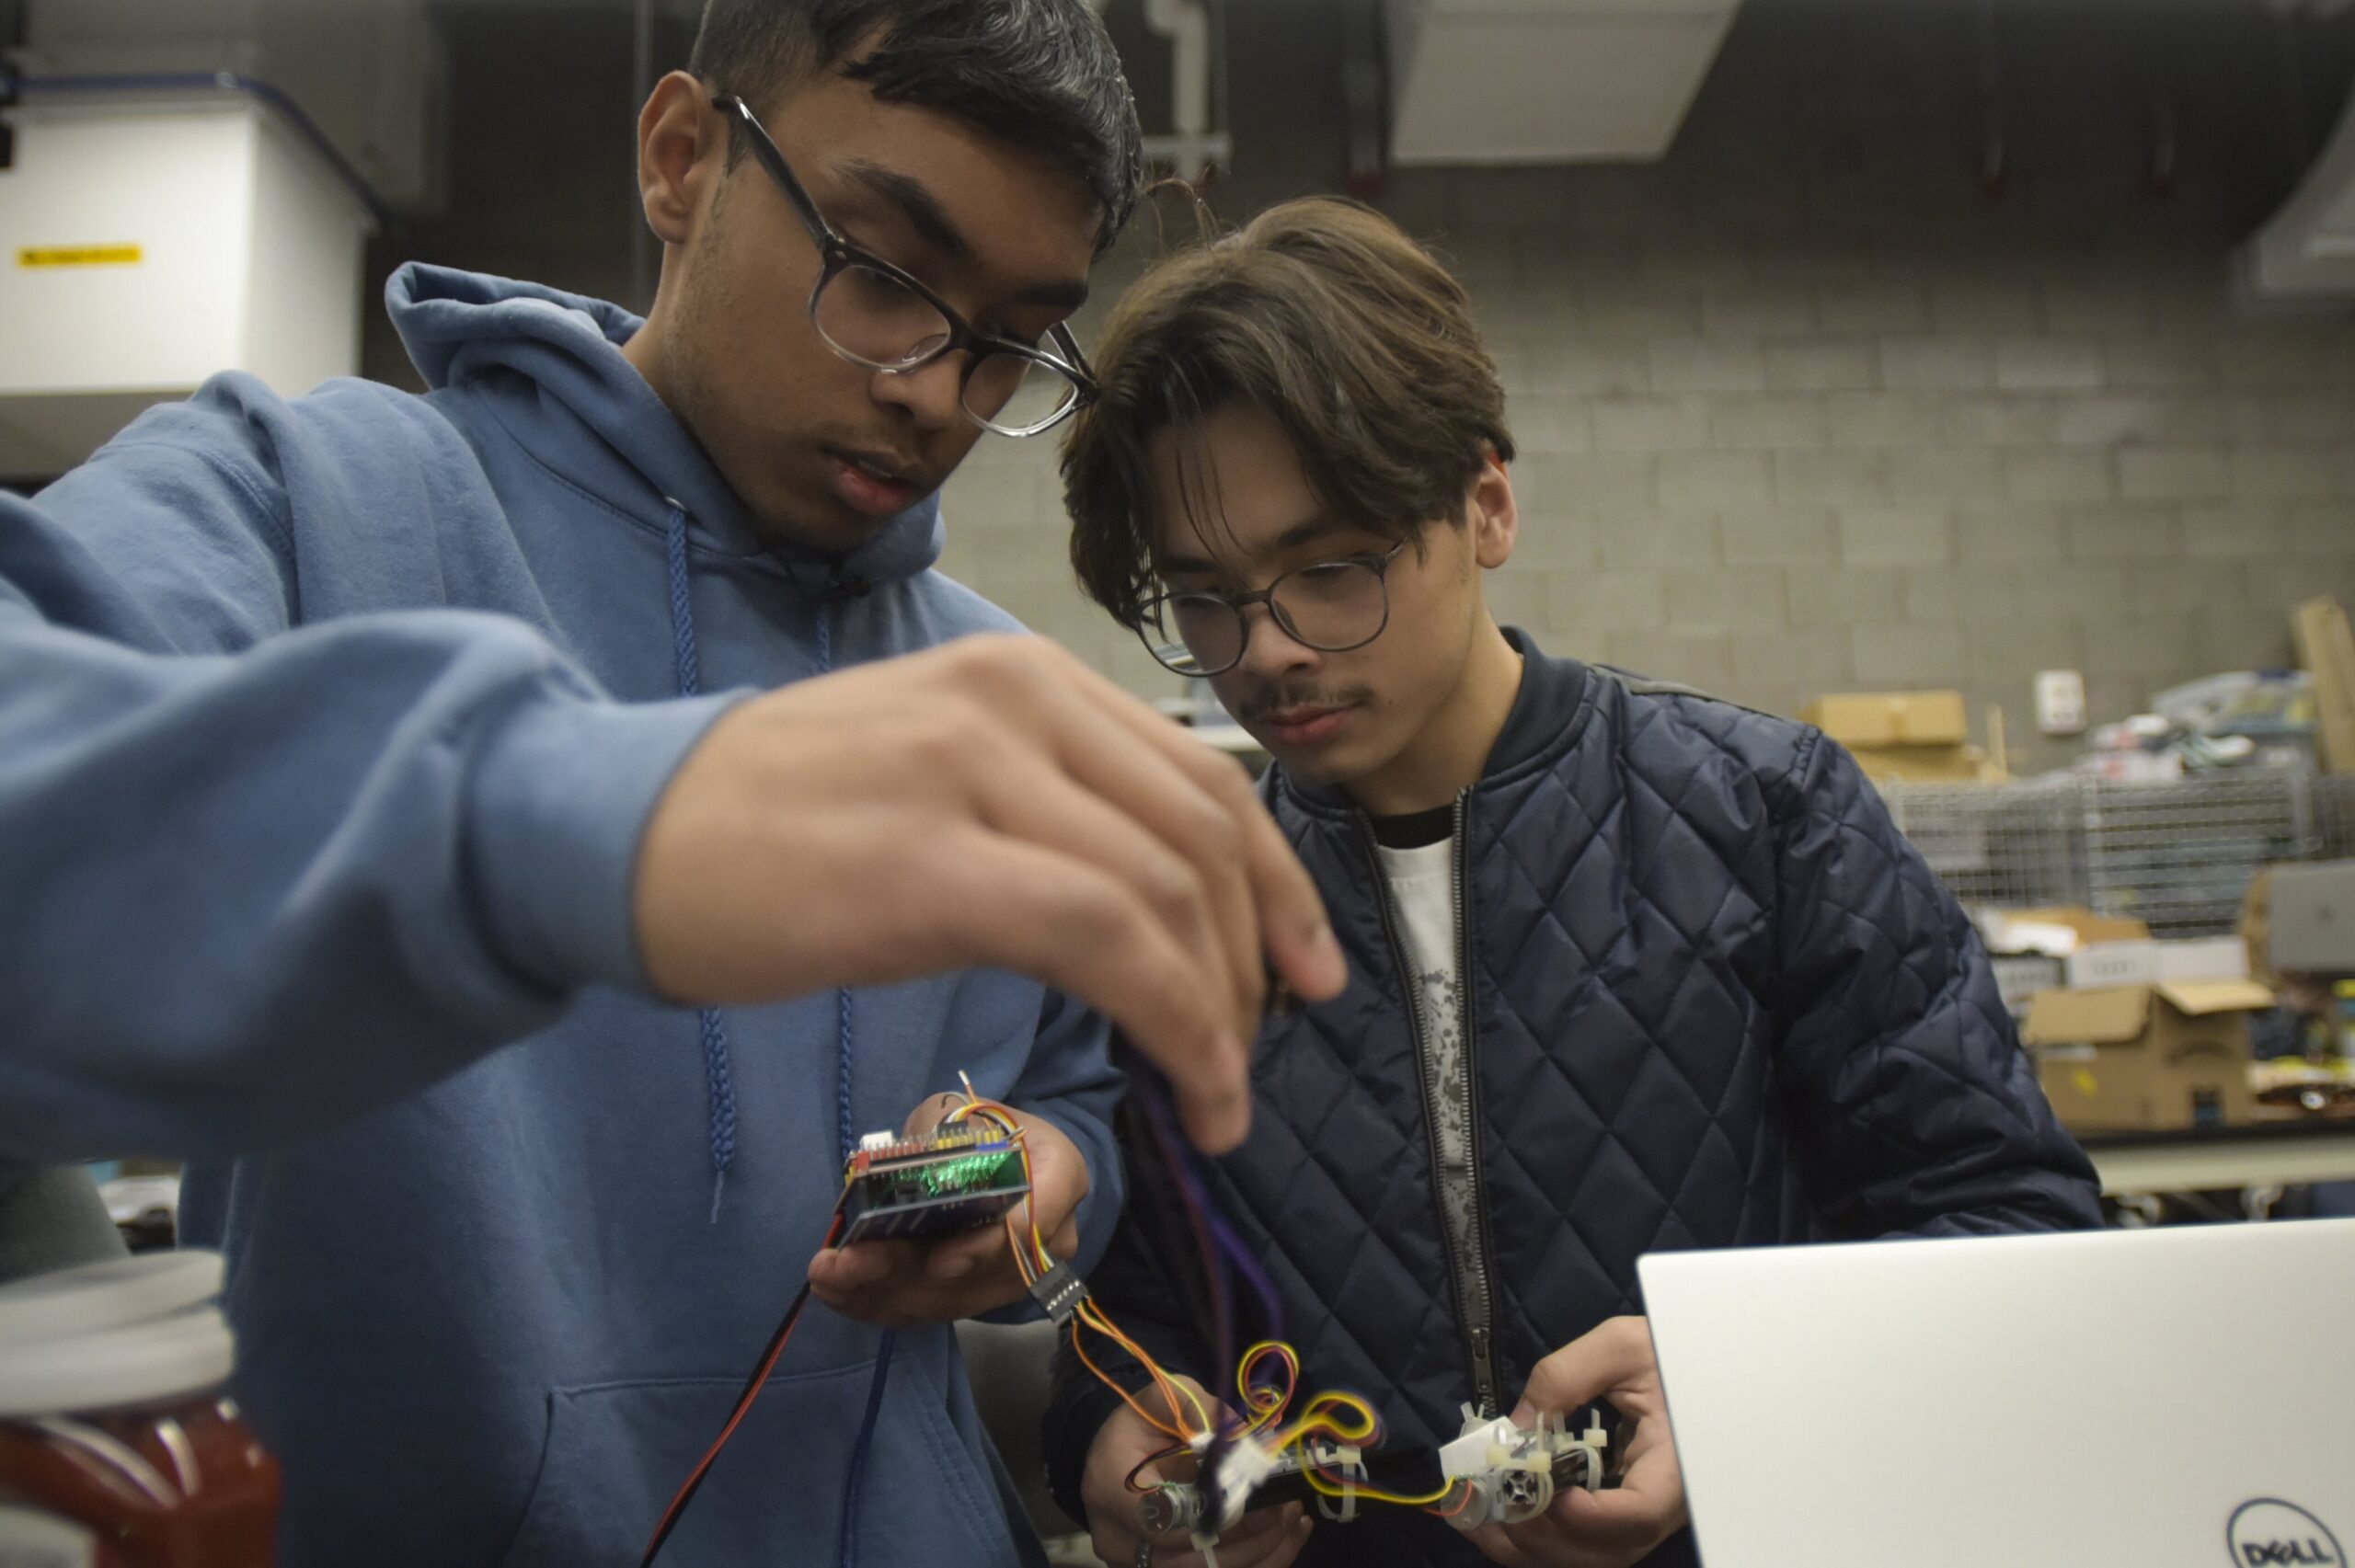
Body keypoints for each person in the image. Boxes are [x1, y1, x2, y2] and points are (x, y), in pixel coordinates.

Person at [0, 5, 1348, 1564]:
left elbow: (1076, 1087)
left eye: (1008, 341)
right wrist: (570, 819)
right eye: (887, 272)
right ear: (682, 158)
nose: (935, 391)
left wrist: (1050, 1175)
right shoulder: (317, 505)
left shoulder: (982, 698)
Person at [1040, 197, 2104, 1568]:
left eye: (1332, 568)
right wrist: (1108, 1443)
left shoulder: (1764, 817)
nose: (1271, 650)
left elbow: (2021, 1234)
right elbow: (1129, 1319)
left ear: (1486, 502)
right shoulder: (1170, 913)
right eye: (1204, 599)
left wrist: (1724, 1378)